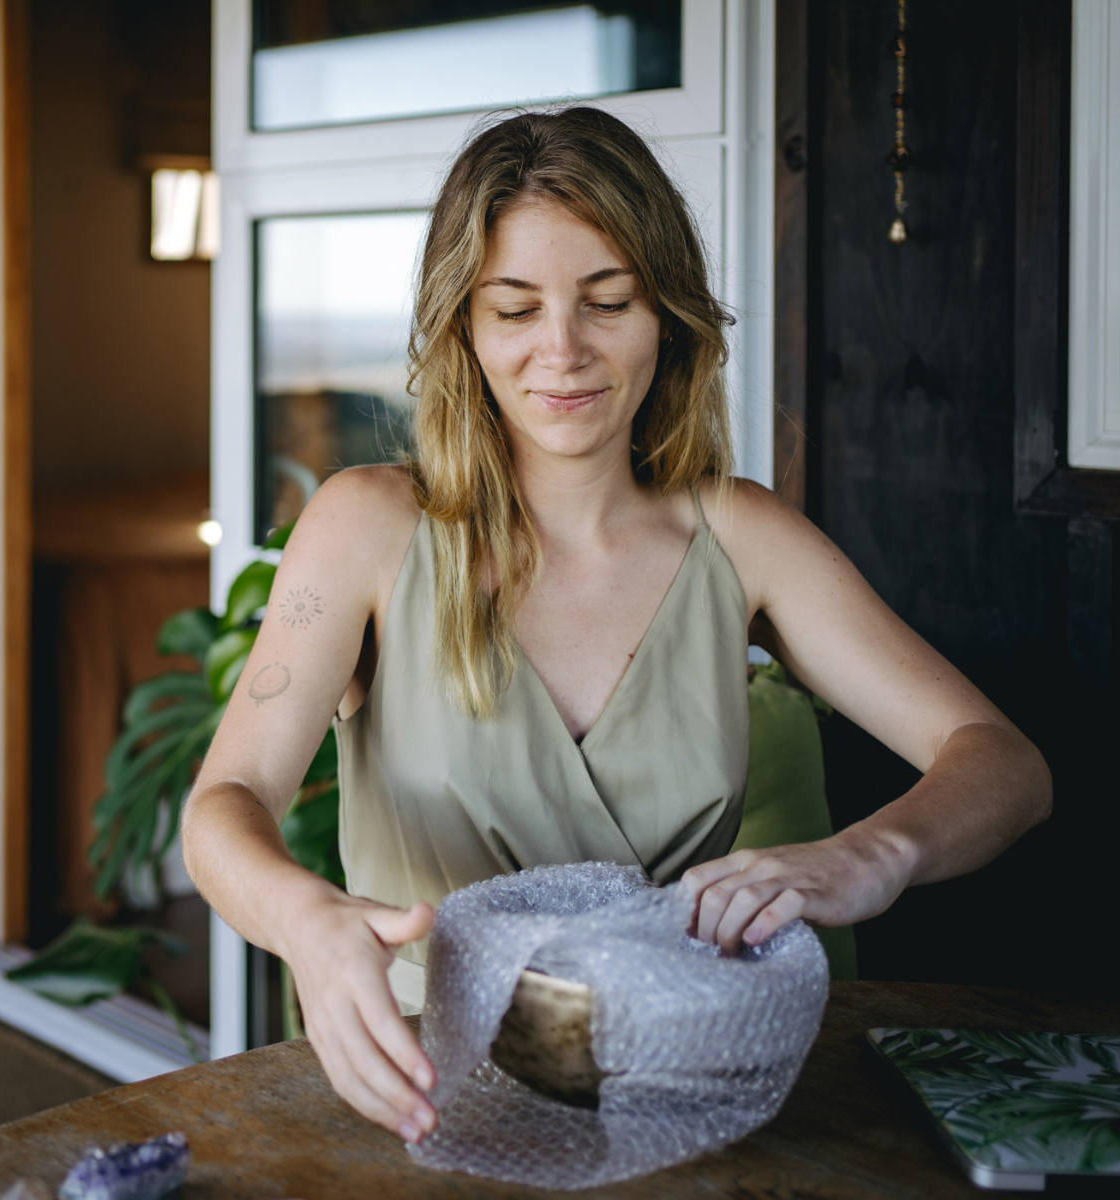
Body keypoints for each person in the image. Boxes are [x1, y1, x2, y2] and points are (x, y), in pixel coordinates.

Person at [180, 107, 1050, 1146]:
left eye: (609, 300)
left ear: (666, 315)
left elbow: (1004, 763)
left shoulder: (745, 536)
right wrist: (306, 924)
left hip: (681, 1092)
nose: (564, 351)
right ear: (463, 324)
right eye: (514, 309)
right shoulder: (366, 529)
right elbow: (224, 804)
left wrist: (872, 853)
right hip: (420, 1095)